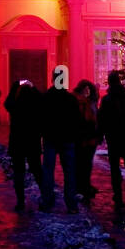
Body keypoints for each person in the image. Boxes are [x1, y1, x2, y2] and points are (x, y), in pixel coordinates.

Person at [39, 69, 82, 212]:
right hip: (67, 139)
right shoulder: (70, 99)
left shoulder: (46, 97)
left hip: (50, 138)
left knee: (48, 171)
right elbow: (77, 120)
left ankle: (47, 202)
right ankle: (71, 204)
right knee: (70, 172)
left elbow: (41, 119)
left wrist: (43, 133)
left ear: (53, 79)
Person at [99, 71, 125, 211]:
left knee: (114, 168)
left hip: (113, 137)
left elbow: (102, 119)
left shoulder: (107, 99)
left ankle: (118, 195)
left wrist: (100, 135)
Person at [4, 80, 43, 211]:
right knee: (37, 171)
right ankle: (45, 196)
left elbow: (7, 102)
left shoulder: (15, 106)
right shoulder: (36, 106)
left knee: (18, 173)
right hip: (33, 142)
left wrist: (16, 85)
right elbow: (41, 98)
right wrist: (33, 86)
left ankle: (20, 201)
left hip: (17, 143)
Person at [74, 79, 100, 201]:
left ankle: (86, 185)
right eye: (85, 89)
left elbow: (96, 118)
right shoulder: (78, 102)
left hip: (91, 138)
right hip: (82, 138)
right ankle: (80, 187)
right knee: (81, 163)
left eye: (89, 89)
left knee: (87, 163)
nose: (87, 91)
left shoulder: (92, 102)